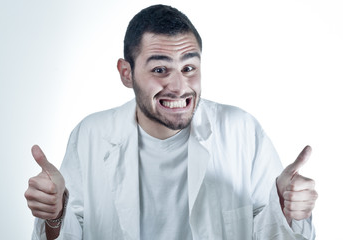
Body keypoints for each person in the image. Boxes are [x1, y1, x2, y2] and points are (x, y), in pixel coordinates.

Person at [24, 4, 318, 240]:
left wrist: (286, 209)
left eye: (189, 67)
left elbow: (269, 232)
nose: (179, 86)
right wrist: (55, 214)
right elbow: (68, 232)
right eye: (161, 69)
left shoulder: (242, 130)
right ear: (127, 73)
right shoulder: (91, 135)